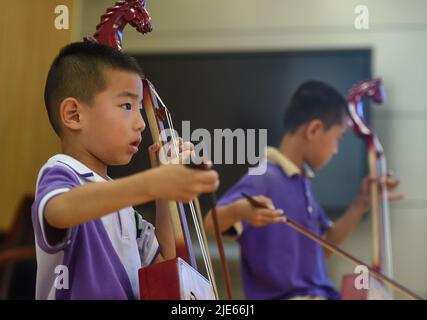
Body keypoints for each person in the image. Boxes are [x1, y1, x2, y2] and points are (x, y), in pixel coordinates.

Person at [32, 41, 219, 300]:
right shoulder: (62, 171)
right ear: (74, 115)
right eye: (126, 106)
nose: (141, 123)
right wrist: (151, 183)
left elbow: (165, 267)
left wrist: (164, 194)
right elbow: (59, 210)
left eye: (140, 108)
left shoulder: (127, 211)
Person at [204, 80, 401, 300]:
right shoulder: (264, 176)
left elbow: (323, 248)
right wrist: (241, 211)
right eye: (338, 138)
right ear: (314, 129)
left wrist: (360, 204)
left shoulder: (300, 181)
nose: (336, 150)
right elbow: (210, 223)